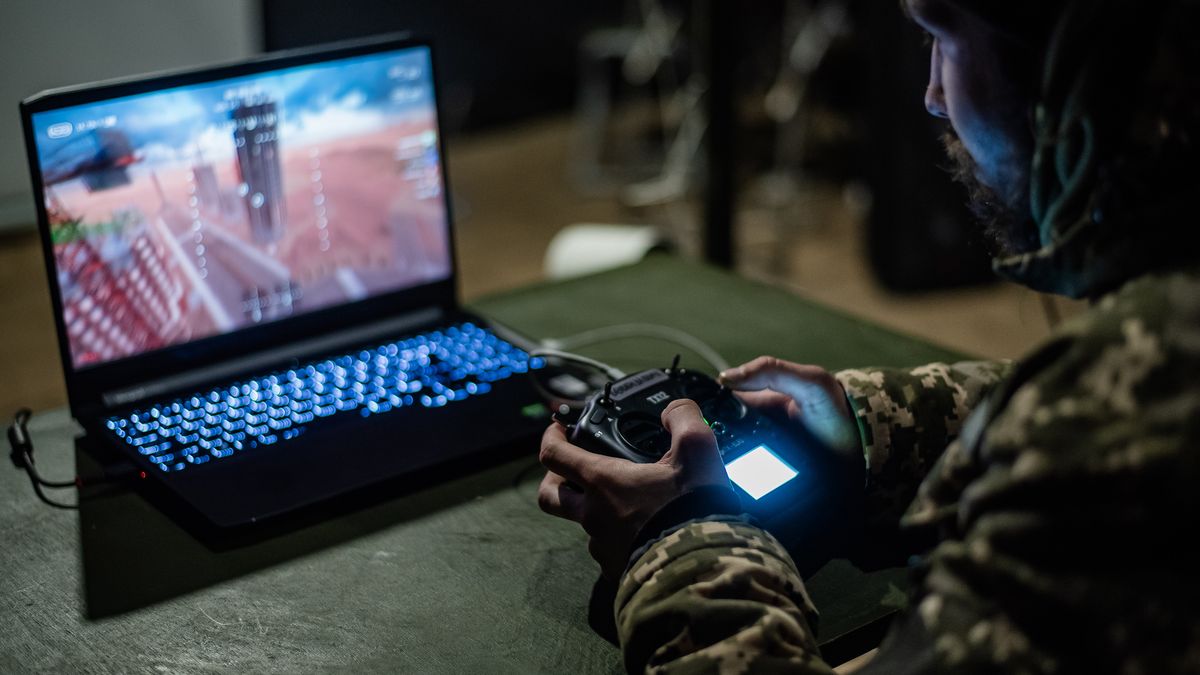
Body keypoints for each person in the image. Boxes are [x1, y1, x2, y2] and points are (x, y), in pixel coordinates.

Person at [537, 0, 1200, 672]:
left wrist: (679, 542)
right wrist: (873, 432)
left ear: (1084, 69)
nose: (933, 94)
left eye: (946, 39)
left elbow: (1110, 424)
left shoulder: (1120, 445)